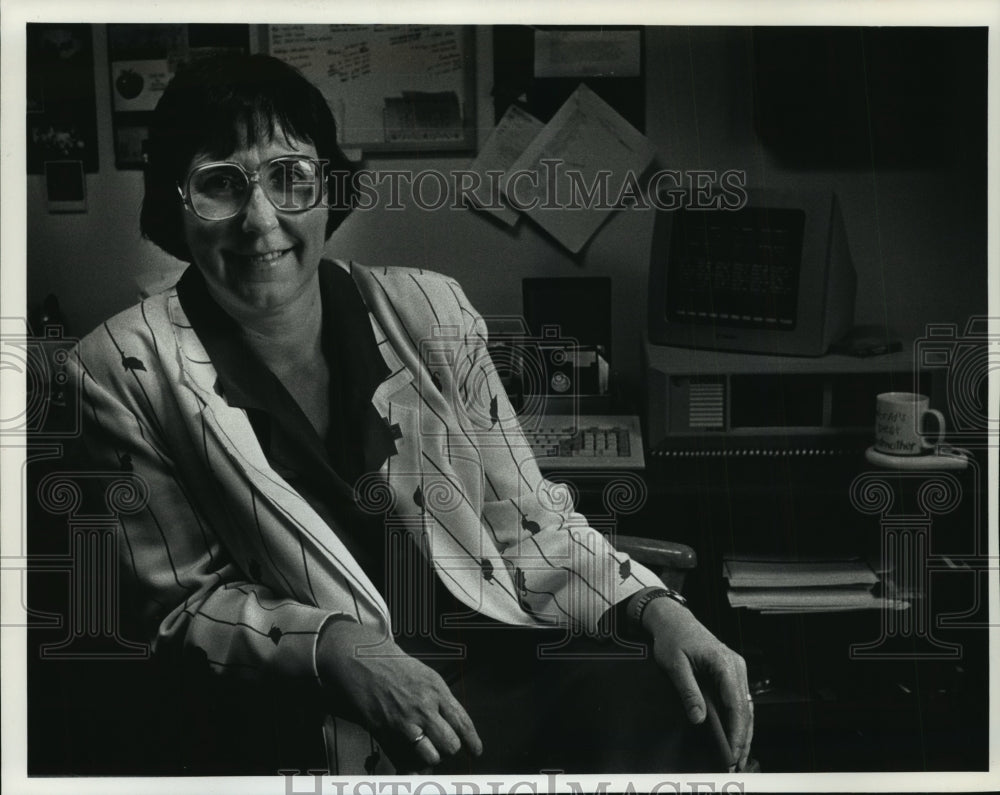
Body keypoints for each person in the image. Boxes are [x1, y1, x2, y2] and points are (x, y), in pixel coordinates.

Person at [68, 53, 753, 776]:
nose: (261, 219)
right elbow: (180, 607)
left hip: (511, 657)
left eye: (289, 177)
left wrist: (654, 607)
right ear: (175, 206)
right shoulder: (119, 368)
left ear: (328, 188)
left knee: (682, 711)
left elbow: (531, 522)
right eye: (220, 185)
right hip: (326, 718)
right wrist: (332, 646)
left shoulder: (433, 310)